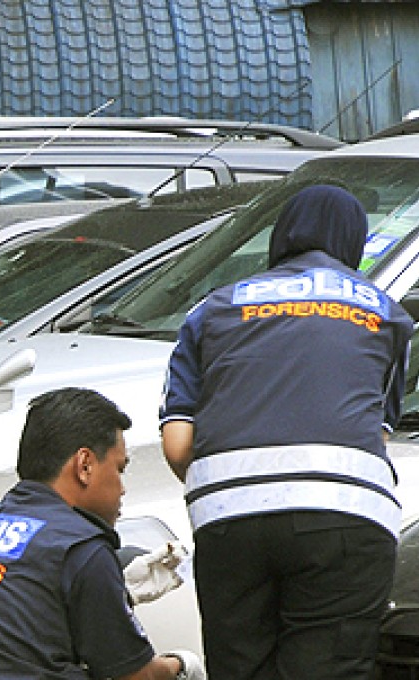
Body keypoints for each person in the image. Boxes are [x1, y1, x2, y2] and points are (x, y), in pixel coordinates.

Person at [160, 184, 413, 679]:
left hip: (229, 516)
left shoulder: (213, 308)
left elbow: (178, 445)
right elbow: (374, 434)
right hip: (344, 514)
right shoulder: (386, 313)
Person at [0, 387, 204, 679]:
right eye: (119, 469)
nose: (122, 489)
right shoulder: (81, 547)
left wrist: (118, 595)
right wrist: (182, 664)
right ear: (85, 466)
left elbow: (6, 624)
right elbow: (135, 676)